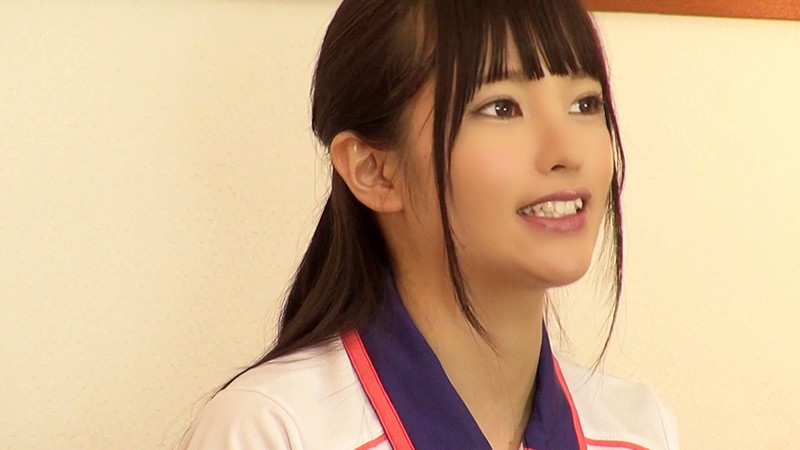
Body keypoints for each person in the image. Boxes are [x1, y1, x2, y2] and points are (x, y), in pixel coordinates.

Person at [181, 0, 679, 448]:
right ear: (374, 170)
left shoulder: (639, 429)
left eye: (585, 104)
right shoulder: (274, 429)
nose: (566, 151)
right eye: (501, 108)